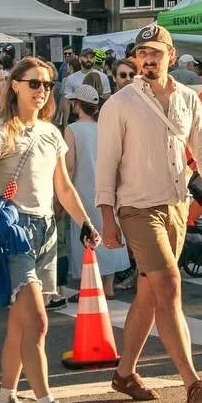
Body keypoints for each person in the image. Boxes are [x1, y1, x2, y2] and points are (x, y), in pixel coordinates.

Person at [0, 56, 99, 403]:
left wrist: (85, 223)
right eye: (34, 83)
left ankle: (6, 401)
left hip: (45, 231)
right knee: (37, 322)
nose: (42, 91)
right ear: (15, 86)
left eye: (47, 85)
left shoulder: (52, 133)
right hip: (14, 232)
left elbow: (63, 188)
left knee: (20, 327)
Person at [95, 23, 202, 403]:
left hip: (176, 204)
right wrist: (107, 218)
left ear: (171, 54)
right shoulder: (119, 103)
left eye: (155, 52)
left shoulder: (186, 97)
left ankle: (124, 373)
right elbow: (106, 166)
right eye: (142, 53)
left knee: (151, 295)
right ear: (135, 59)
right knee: (168, 283)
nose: (148, 59)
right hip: (136, 207)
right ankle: (192, 382)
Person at [63, 82, 128, 298]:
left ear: (77, 105)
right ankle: (108, 285)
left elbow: (70, 164)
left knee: (85, 235)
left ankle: (90, 287)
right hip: (107, 186)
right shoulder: (104, 128)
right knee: (108, 231)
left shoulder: (72, 130)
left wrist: (63, 190)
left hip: (82, 187)